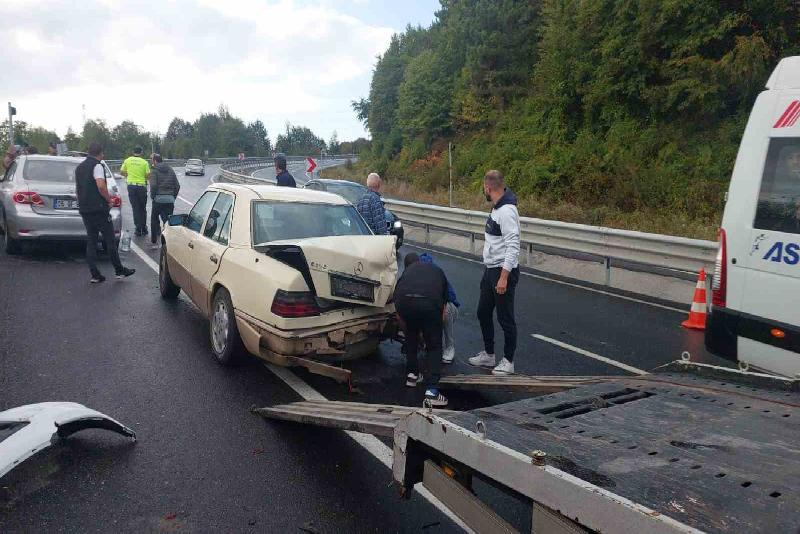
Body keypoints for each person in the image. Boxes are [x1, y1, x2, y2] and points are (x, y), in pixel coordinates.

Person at [468, 170, 521, 375]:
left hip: (502, 271)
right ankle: (489, 355)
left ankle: (508, 361)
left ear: (488, 187)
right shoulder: (497, 207)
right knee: (483, 312)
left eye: (484, 188)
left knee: (505, 318)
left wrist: (504, 277)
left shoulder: (506, 211)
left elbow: (513, 246)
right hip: (490, 269)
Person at [75, 142, 135, 283]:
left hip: (85, 209)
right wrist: (109, 200)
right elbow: (101, 186)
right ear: (100, 153)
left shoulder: (79, 168)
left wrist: (82, 203)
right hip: (99, 209)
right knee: (110, 240)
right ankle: (119, 270)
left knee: (91, 240)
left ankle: (94, 274)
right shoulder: (97, 166)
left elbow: (78, 189)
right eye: (102, 153)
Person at [395, 252, 449, 407]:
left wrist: (408, 330)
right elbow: (443, 306)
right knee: (434, 346)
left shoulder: (406, 274)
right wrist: (434, 329)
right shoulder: (436, 270)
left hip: (404, 302)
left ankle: (412, 375)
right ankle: (432, 391)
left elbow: (398, 308)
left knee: (411, 336)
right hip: (430, 302)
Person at [419, 252, 460, 363]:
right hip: (428, 310)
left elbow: (449, 299)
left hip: (446, 309)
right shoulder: (416, 278)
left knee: (446, 310)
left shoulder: (440, 278)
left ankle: (450, 347)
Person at [149, 153, 181, 250]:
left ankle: (154, 240)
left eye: (152, 160)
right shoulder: (170, 169)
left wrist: (153, 196)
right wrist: (173, 197)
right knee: (167, 221)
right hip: (170, 200)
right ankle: (168, 240)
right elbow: (177, 186)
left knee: (154, 219)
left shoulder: (154, 170)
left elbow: (153, 185)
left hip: (158, 199)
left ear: (155, 161)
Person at [120, 146, 151, 236]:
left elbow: (121, 172)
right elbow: (148, 175)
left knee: (135, 208)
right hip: (141, 187)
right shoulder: (144, 162)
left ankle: (138, 228)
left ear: (133, 152)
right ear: (141, 152)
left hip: (131, 186)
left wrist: (129, 175)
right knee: (142, 208)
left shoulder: (127, 160)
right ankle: (144, 228)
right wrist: (142, 177)